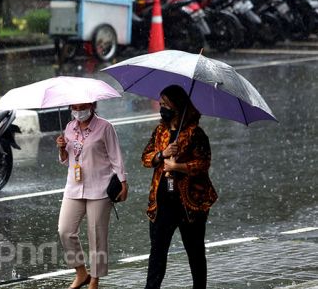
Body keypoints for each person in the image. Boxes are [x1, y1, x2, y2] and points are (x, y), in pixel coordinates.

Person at [141, 85, 218, 289]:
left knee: (195, 252)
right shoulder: (160, 131)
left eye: (166, 104)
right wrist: (162, 155)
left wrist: (179, 166)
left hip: (189, 204)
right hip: (162, 202)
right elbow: (146, 158)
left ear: (177, 106)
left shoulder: (195, 133)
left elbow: (204, 163)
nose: (162, 107)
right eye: (161, 103)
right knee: (157, 253)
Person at [56, 102, 128, 289]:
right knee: (65, 230)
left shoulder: (105, 127)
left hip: (100, 187)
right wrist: (62, 148)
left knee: (96, 235)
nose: (78, 112)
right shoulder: (69, 127)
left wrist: (123, 182)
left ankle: (95, 280)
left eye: (82, 107)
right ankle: (81, 273)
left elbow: (116, 156)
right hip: (74, 186)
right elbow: (67, 160)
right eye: (75, 108)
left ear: (92, 105)